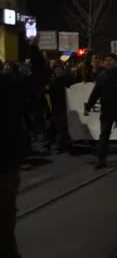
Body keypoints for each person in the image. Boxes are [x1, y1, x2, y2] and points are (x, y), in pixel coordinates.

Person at [1, 39, 47, 258]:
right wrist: (34, 50)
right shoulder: (9, 84)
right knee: (4, 220)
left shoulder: (9, 84)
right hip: (6, 162)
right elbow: (39, 77)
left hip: (6, 160)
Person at [84, 54, 117, 169]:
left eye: (110, 60)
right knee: (104, 135)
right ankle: (101, 159)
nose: (108, 62)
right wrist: (88, 106)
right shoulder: (102, 75)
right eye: (106, 60)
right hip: (106, 110)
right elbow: (96, 92)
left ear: (116, 62)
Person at [48, 63, 73, 153]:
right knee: (59, 126)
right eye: (56, 69)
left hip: (65, 105)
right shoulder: (52, 81)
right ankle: (63, 143)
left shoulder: (67, 80)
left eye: (60, 69)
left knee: (63, 126)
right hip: (56, 106)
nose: (58, 71)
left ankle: (61, 145)